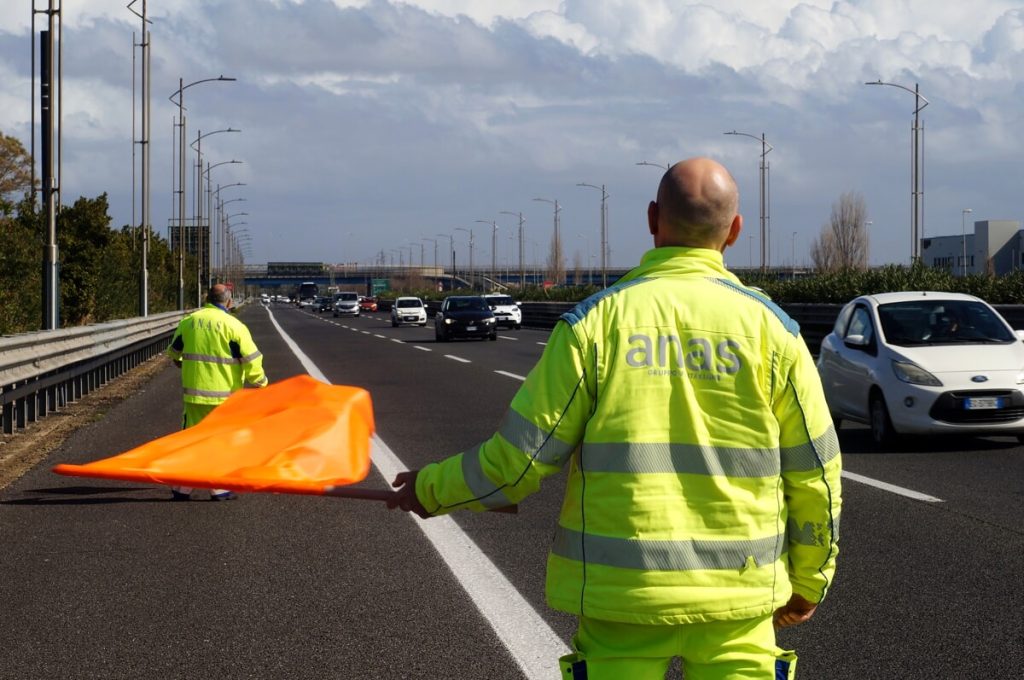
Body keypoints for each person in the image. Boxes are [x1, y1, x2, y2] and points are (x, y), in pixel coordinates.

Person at [388, 157, 841, 679]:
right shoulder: (775, 334)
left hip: (621, 600)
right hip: (738, 603)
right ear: (735, 231)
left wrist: (429, 488)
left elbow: (515, 465)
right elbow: (817, 478)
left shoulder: (595, 325)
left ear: (652, 219)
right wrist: (811, 579)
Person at [166, 284, 269, 501]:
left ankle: (183, 488)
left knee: (192, 441)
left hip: (194, 396)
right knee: (222, 442)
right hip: (225, 398)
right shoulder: (234, 326)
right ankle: (218, 488)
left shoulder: (190, 321)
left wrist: (181, 362)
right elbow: (252, 360)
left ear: (207, 299)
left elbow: (174, 352)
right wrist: (261, 383)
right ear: (229, 302)